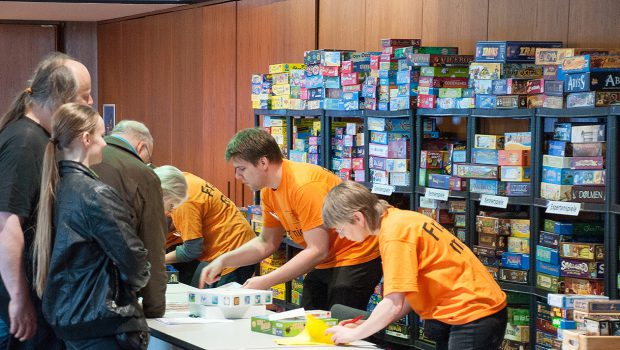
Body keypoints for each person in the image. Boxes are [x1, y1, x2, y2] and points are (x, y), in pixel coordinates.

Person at [200, 128, 382, 311]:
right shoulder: (268, 191)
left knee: (339, 326)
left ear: (263, 162)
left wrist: (265, 280)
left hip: (357, 254)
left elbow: (318, 250)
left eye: (242, 169)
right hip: (326, 258)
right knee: (309, 320)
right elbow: (266, 242)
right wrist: (224, 260)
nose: (237, 176)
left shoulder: (304, 186)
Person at [322, 181, 507, 350]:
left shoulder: (395, 235)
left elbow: (393, 304)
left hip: (472, 314)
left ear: (358, 218)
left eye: (341, 229)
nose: (342, 236)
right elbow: (404, 298)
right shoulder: (398, 219)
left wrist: (354, 334)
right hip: (471, 311)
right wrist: (366, 326)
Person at [33, 103, 151, 349]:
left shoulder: (53, 190)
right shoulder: (95, 194)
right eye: (100, 135)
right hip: (102, 324)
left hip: (67, 321)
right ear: (86, 138)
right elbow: (134, 259)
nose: (105, 143)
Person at [0, 52, 92, 348]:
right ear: (59, 99)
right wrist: (19, 297)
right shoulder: (25, 142)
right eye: (85, 96)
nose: (90, 104)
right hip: (15, 297)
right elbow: (6, 224)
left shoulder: (38, 136)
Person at [90, 120, 168, 318]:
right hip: (113, 296)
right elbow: (152, 244)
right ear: (142, 146)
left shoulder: (80, 157)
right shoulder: (142, 174)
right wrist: (154, 307)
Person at [154, 166, 257, 288]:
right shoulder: (182, 181)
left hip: (233, 250)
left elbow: (191, 250)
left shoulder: (184, 203)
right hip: (235, 244)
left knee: (221, 303)